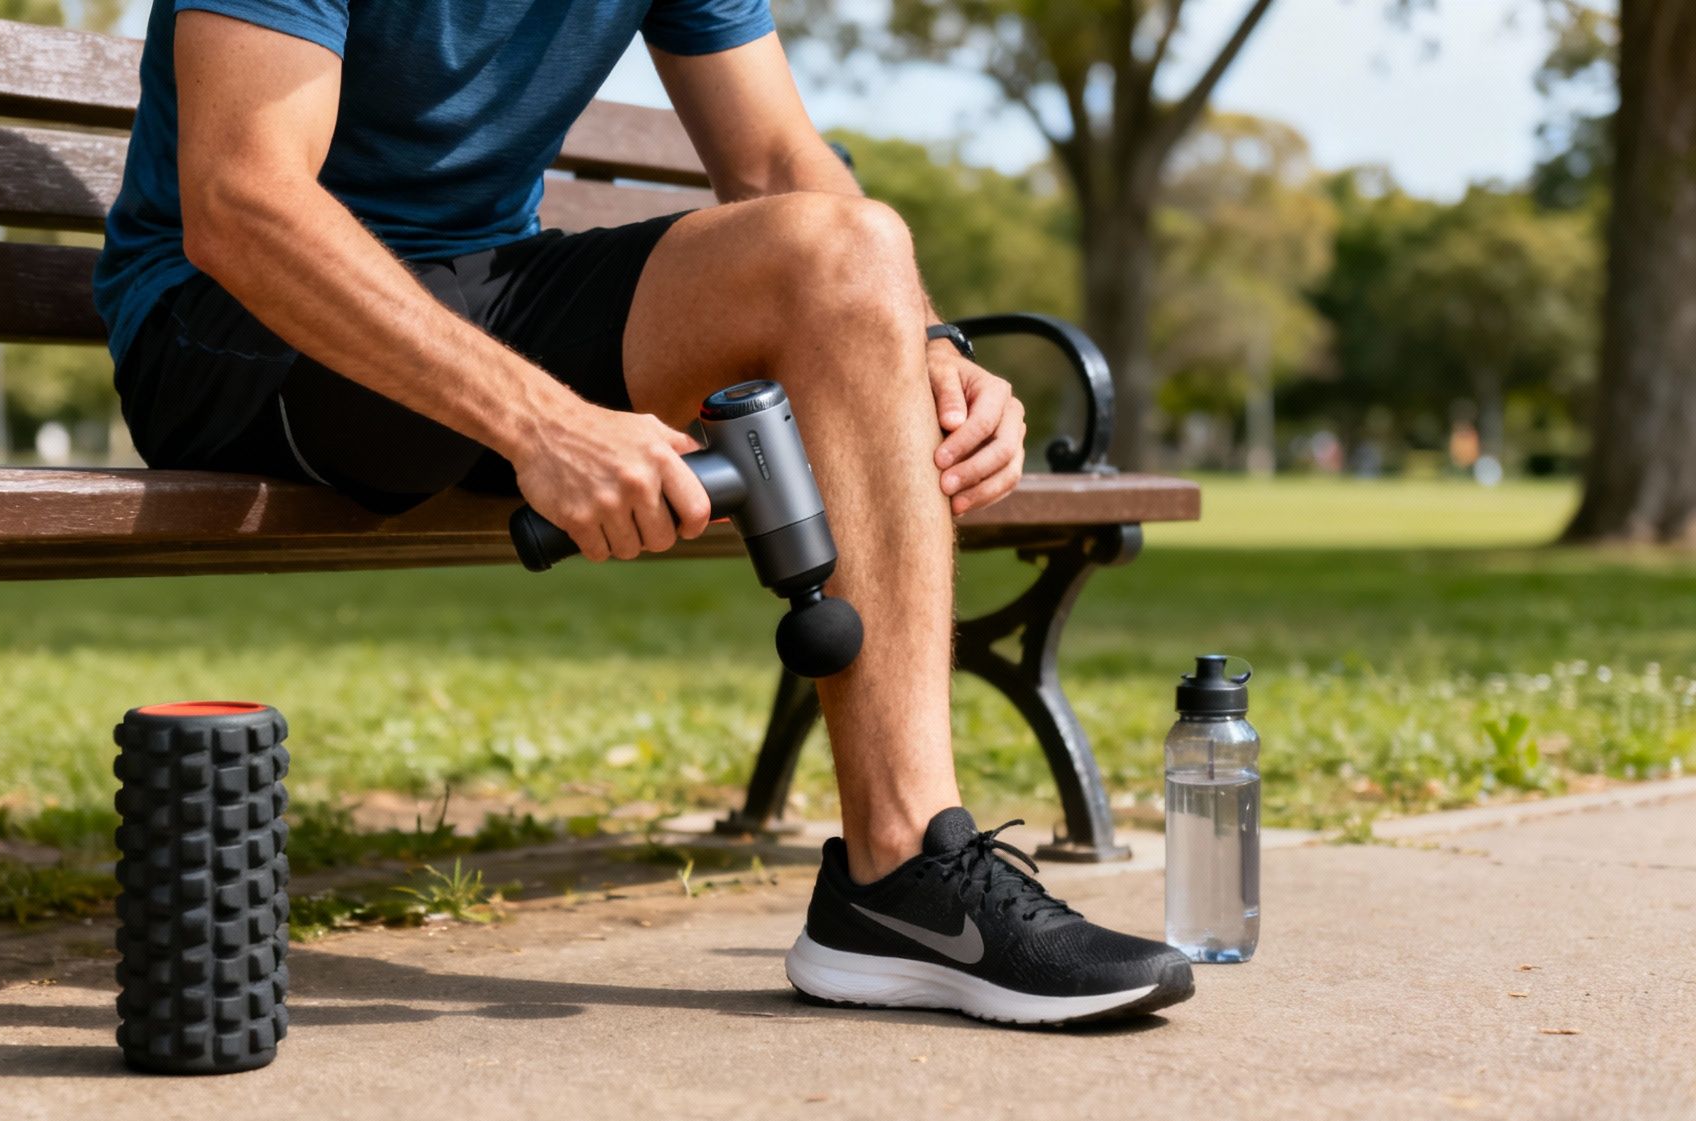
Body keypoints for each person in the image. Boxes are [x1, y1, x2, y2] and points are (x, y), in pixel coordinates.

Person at [95, 0, 1192, 1026]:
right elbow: (242, 201)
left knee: (849, 252)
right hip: (230, 328)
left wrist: (927, 347)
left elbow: (774, 161)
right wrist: (540, 423)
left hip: (478, 287)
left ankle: (901, 877)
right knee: (805, 267)